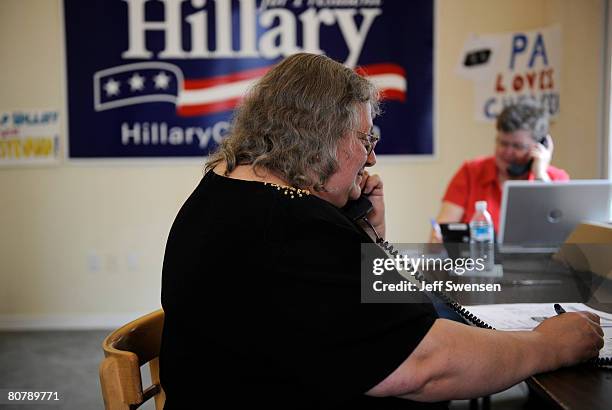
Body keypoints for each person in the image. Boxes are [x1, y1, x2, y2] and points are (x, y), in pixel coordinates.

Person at [160, 54, 602, 409]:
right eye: (365, 140)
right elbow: (425, 364)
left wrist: (368, 232)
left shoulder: (228, 190)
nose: (370, 160)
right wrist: (547, 345)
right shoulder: (291, 227)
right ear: (322, 136)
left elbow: (367, 314)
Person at [431, 103, 569, 242]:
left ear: (540, 147)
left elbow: (560, 239)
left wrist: (540, 175)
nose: (507, 152)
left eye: (517, 146)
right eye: (503, 143)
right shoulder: (471, 172)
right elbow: (438, 237)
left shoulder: (554, 179)